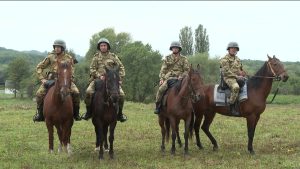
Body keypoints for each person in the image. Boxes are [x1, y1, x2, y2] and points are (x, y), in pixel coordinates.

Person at [33, 39, 81, 122]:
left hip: (65, 80)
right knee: (39, 94)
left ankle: (76, 114)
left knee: (76, 92)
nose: (56, 48)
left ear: (63, 48)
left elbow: (72, 69)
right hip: (51, 80)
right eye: (55, 47)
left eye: (59, 47)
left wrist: (70, 78)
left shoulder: (68, 58)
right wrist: (42, 79)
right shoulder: (50, 57)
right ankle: (40, 114)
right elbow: (39, 67)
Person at [81, 38, 127, 122]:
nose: (103, 47)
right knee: (88, 92)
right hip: (98, 80)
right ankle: (88, 112)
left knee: (122, 95)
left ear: (107, 46)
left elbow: (121, 67)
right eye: (101, 45)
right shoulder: (96, 57)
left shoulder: (113, 57)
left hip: (111, 81)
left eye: (104, 45)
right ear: (99, 47)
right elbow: (91, 69)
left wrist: (120, 78)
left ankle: (120, 114)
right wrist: (99, 76)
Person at [154, 41, 190, 114]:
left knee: (191, 89)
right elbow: (163, 70)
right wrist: (161, 79)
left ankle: (192, 108)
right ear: (171, 48)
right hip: (169, 78)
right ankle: (158, 106)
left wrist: (182, 76)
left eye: (176, 48)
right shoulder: (167, 58)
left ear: (179, 49)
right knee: (161, 89)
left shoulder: (184, 59)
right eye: (173, 48)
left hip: (181, 78)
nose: (175, 49)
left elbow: (187, 70)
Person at [219, 41, 246, 115]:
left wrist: (242, 73)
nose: (234, 50)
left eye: (235, 49)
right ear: (228, 49)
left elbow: (240, 69)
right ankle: (231, 106)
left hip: (237, 77)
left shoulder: (238, 59)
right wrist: (237, 76)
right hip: (228, 78)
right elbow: (226, 72)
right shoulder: (224, 59)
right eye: (232, 48)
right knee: (236, 87)